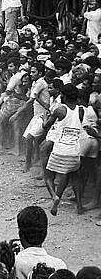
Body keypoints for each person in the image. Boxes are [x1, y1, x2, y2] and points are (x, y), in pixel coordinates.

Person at [43, 84, 85, 215]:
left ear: (65, 96)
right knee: (75, 177)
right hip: (74, 151)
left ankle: (55, 197)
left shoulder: (60, 110)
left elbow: (46, 126)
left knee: (49, 176)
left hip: (60, 150)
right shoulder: (81, 110)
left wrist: (44, 118)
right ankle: (79, 205)